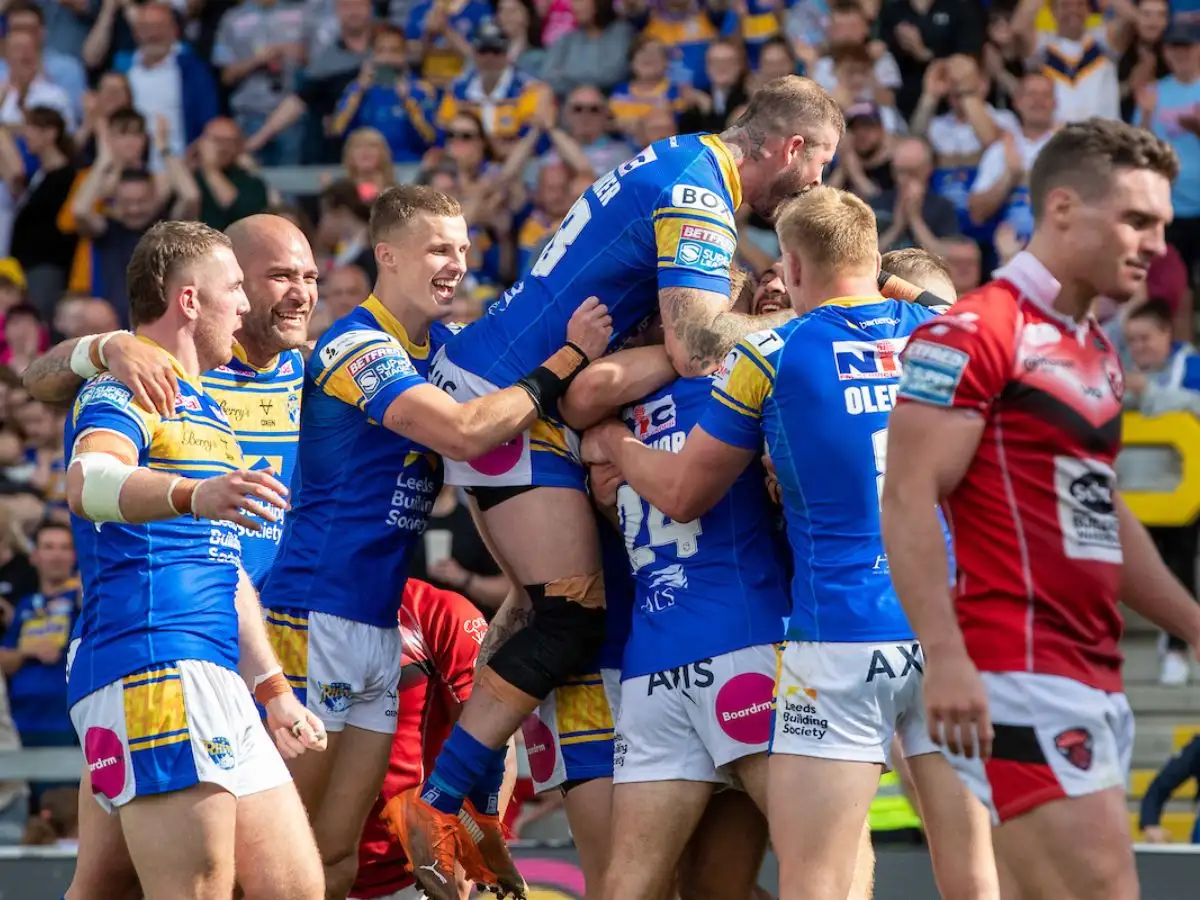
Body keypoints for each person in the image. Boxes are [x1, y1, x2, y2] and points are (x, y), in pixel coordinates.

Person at [394, 77, 843, 898]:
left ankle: (466, 798)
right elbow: (700, 341)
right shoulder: (699, 194)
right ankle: (438, 802)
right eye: (820, 165)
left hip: (513, 387)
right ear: (791, 147)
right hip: (512, 401)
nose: (814, 188)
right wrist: (827, 316)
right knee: (570, 610)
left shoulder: (679, 160)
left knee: (542, 607)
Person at [582, 186, 999, 900]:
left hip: (838, 638)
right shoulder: (945, 331)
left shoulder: (769, 352)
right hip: (947, 629)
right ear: (870, 259)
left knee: (818, 879)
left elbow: (684, 492)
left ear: (795, 269)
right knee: (970, 870)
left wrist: (616, 440)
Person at [257, 184, 611, 900]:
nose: (458, 262)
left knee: (335, 862)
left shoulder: (446, 348)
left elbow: (484, 468)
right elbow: (463, 433)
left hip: (379, 629)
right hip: (307, 617)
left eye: (464, 248)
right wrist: (568, 358)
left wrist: (520, 580)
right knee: (274, 864)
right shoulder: (356, 343)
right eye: (439, 248)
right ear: (387, 254)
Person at [881, 117, 1195, 900]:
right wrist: (946, 657)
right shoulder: (974, 329)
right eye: (1136, 219)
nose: (1157, 243)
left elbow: (1104, 513)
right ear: (1062, 209)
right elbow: (908, 496)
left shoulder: (1095, 348)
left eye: (1161, 223)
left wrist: (1192, 625)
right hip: (1015, 669)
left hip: (1086, 666)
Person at [24, 213, 320, 900]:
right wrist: (194, 492)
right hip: (150, 660)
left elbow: (225, 566)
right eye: (236, 289)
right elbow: (87, 484)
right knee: (194, 888)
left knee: (294, 888)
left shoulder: (207, 408)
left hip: (215, 665)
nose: (245, 305)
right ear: (191, 299)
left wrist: (273, 688)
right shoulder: (123, 385)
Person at [351, 577, 492, 900]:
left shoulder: (441, 610)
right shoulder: (274, 605)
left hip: (415, 871)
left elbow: (491, 743)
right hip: (309, 862)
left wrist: (462, 855)